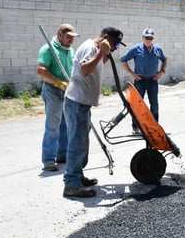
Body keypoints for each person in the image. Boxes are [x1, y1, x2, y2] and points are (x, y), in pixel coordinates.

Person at [63, 26, 125, 198]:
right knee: (76, 143)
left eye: (117, 46)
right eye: (114, 44)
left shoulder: (96, 49)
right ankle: (71, 184)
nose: (114, 48)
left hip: (82, 103)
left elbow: (96, 65)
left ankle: (77, 176)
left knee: (82, 142)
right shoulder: (90, 47)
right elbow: (84, 70)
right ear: (105, 37)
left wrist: (104, 53)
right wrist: (101, 52)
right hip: (77, 102)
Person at [37, 23, 79, 171]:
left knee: (65, 125)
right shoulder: (49, 49)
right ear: (60, 34)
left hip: (67, 90)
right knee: (53, 125)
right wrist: (56, 81)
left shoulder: (70, 50)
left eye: (73, 38)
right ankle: (48, 160)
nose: (71, 41)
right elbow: (41, 69)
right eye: (68, 37)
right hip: (53, 90)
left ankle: (62, 155)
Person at [120, 28, 168, 135]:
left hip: (152, 80)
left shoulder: (157, 50)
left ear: (153, 39)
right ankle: (135, 127)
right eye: (146, 38)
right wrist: (131, 73)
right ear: (143, 38)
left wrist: (162, 72)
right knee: (137, 105)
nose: (148, 40)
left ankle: (155, 127)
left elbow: (164, 60)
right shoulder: (136, 49)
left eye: (150, 38)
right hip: (140, 80)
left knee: (154, 104)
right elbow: (123, 60)